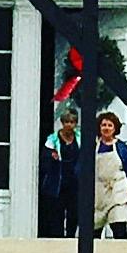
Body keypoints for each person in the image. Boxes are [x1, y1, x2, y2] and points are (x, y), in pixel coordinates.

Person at [92, 109, 127, 239]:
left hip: (117, 191)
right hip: (98, 193)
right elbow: (81, 168)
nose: (106, 128)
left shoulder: (121, 147)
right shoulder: (92, 147)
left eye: (110, 125)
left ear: (115, 128)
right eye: (104, 125)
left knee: (119, 228)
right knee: (94, 231)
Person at [39, 102, 78, 239]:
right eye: (66, 122)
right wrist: (52, 157)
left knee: (74, 212)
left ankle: (71, 237)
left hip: (74, 181)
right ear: (62, 123)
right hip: (58, 182)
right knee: (57, 213)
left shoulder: (79, 138)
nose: (69, 125)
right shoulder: (52, 139)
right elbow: (44, 159)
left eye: (72, 122)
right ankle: (58, 238)